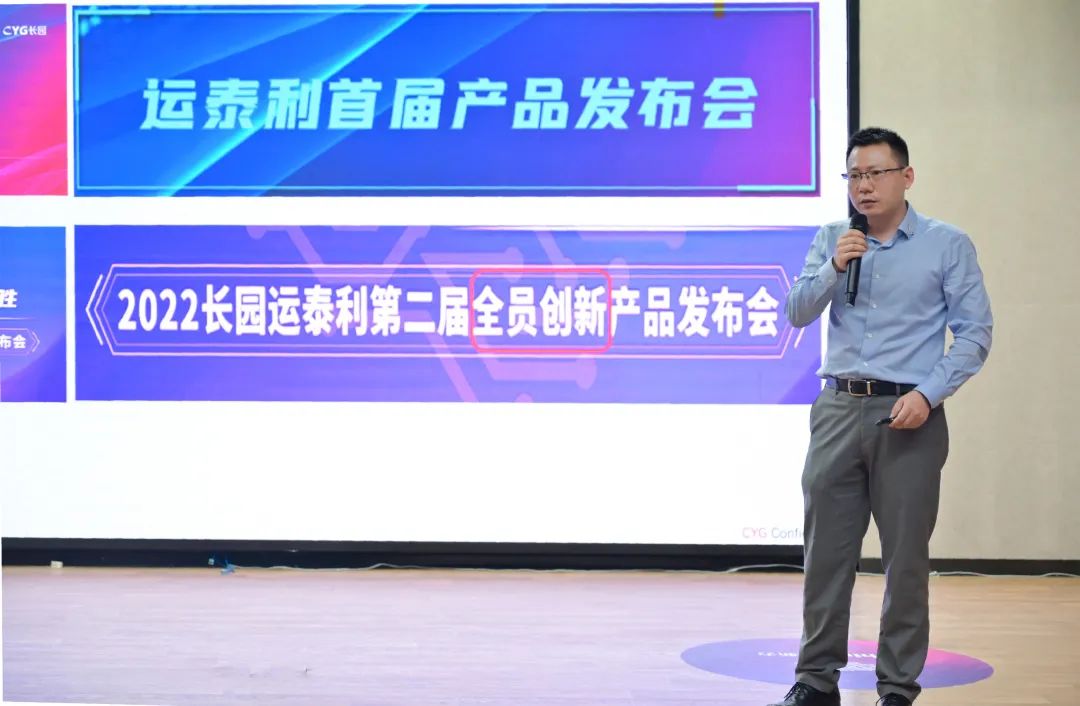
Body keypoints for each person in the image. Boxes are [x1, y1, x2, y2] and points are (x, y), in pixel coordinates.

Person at [769, 127, 993, 706]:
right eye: (854, 176)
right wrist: (832, 268)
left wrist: (929, 394)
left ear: (906, 177)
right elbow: (796, 312)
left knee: (905, 561)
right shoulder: (833, 238)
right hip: (838, 409)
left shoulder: (947, 244)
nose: (863, 187)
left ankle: (896, 688)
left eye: (875, 174)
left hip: (908, 413)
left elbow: (974, 336)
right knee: (826, 556)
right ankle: (815, 680)